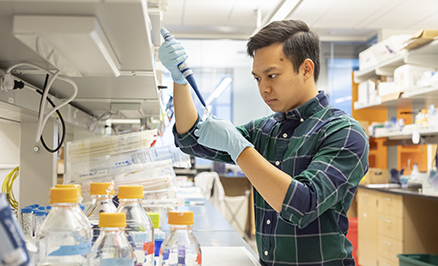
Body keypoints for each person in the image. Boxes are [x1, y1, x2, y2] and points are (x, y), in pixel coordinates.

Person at [158, 19, 369, 266]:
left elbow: (302, 205)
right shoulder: (264, 129)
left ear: (306, 69)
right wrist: (180, 80)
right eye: (258, 78)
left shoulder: (344, 132)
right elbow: (191, 140)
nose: (264, 88)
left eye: (272, 75)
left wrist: (240, 149)